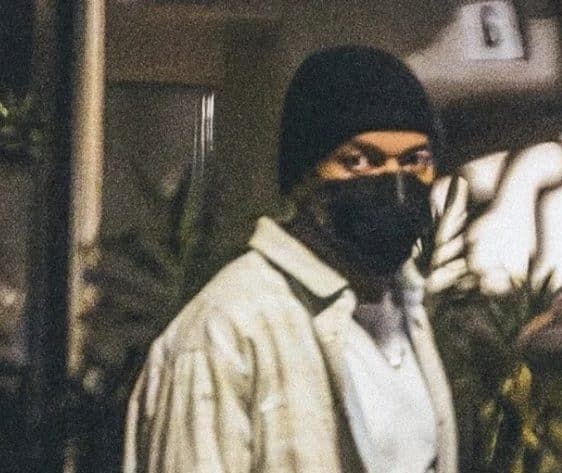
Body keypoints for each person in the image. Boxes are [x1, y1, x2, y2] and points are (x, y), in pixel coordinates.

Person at [123, 45, 466, 473]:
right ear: (304, 177)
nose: (395, 185)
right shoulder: (226, 329)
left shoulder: (406, 308)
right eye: (359, 161)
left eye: (416, 161)